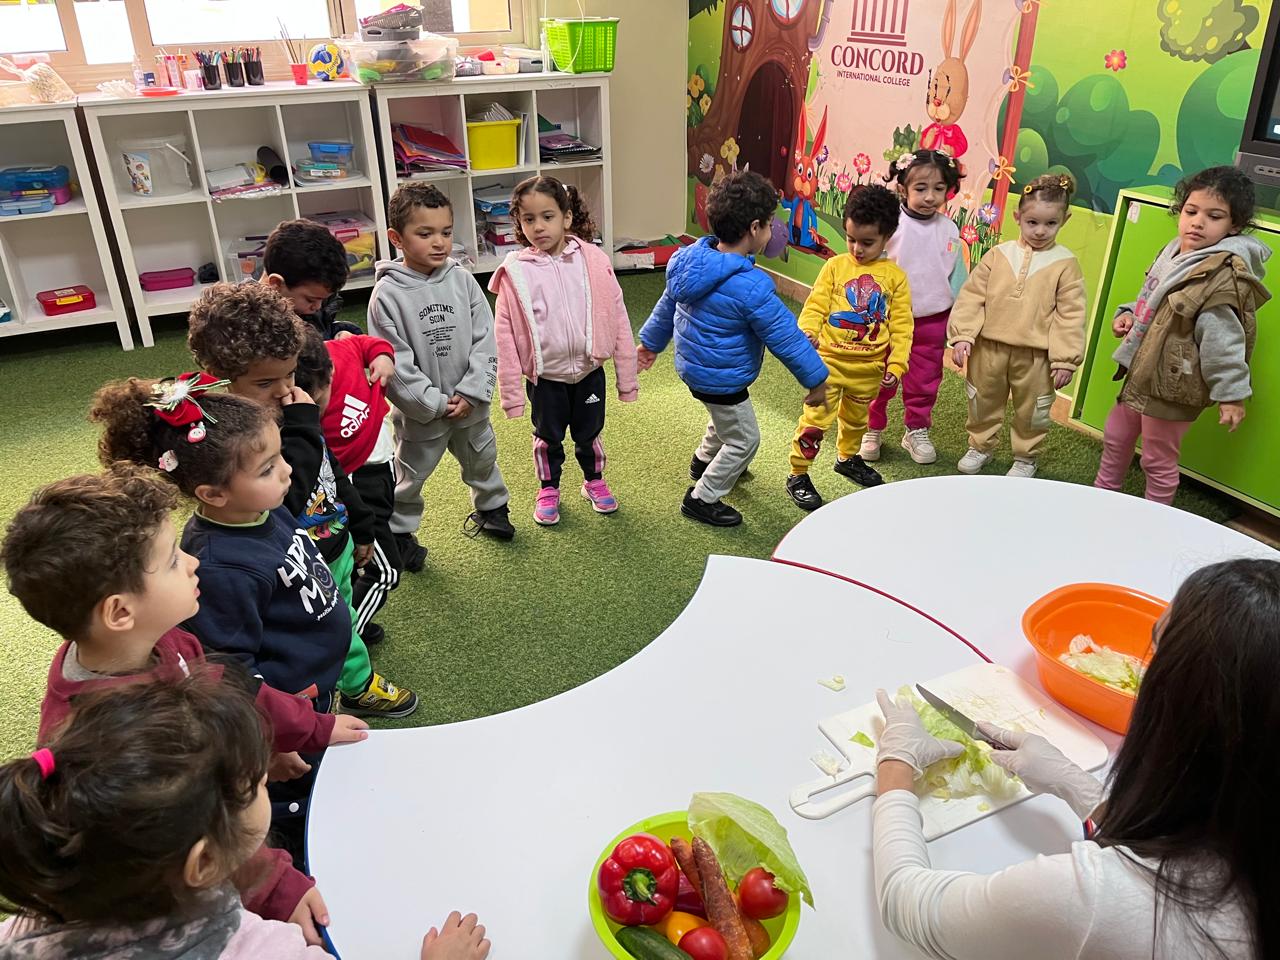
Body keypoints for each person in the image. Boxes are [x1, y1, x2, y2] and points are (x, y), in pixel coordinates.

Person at [0, 465, 368, 944]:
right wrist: (275, 883)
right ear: (120, 611)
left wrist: (296, 734)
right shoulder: (114, 740)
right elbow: (187, 838)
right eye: (174, 559)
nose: (194, 562)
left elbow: (235, 689)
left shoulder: (163, 639)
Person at [871, 557, 1277, 959]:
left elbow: (908, 905)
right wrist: (1078, 786)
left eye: (1157, 653)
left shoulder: (1098, 901)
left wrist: (896, 764)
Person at [0, 672, 492, 959]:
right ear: (204, 862)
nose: (266, 780)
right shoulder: (263, 949)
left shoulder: (24, 930)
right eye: (256, 783)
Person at [89, 375, 360, 862]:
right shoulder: (220, 566)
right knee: (292, 800)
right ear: (213, 494)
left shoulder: (262, 509)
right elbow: (230, 674)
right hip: (279, 713)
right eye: (267, 468)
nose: (286, 473)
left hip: (306, 693)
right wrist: (272, 739)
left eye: (279, 458)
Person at [187, 283, 417, 718]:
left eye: (290, 375)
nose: (284, 390)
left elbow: (332, 471)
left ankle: (354, 681)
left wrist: (361, 527)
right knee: (325, 629)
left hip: (335, 544)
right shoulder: (238, 439)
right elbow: (287, 497)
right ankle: (350, 688)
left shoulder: (291, 413)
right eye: (264, 382)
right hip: (299, 563)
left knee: (343, 620)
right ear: (221, 377)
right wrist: (305, 428)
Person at [638, 170, 828, 527]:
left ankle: (702, 461)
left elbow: (667, 304)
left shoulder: (690, 259)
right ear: (755, 228)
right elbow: (785, 337)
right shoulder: (752, 286)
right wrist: (816, 380)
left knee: (724, 418)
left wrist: (651, 342)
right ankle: (702, 498)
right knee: (745, 440)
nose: (771, 231)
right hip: (722, 377)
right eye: (770, 224)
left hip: (695, 369)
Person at [1093, 166, 1270, 504]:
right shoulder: (1174, 250)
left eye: (1213, 216)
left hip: (1173, 383)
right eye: (1191, 211)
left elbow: (1224, 341)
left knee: (1156, 459)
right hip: (1142, 370)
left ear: (1234, 225)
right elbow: (1153, 298)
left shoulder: (1218, 273)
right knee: (1116, 435)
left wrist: (1231, 395)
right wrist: (1128, 314)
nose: (1197, 223)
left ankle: (1157, 520)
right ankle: (1102, 498)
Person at [370, 182, 515, 545]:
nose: (439, 242)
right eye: (425, 234)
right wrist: (433, 403)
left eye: (446, 232)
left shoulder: (462, 280)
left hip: (471, 408)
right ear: (396, 238)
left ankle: (493, 509)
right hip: (423, 417)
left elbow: (486, 339)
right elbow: (393, 361)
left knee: (483, 460)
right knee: (409, 476)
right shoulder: (386, 296)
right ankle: (400, 535)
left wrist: (472, 392)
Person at [490, 175, 638, 526]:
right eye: (529, 219)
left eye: (548, 216)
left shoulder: (593, 260)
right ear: (519, 223)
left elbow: (616, 315)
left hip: (589, 372)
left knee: (590, 433)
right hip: (546, 379)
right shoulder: (516, 272)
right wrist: (511, 396)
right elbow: (504, 337)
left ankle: (593, 480)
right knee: (547, 437)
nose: (538, 227)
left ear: (566, 217)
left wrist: (627, 379)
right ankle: (548, 488)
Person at [948, 173, 1087, 478]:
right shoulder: (998, 254)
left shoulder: (1066, 264)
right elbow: (972, 296)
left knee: (1033, 409)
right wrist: (963, 335)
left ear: (1064, 220)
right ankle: (980, 446)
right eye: (1032, 222)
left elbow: (1071, 314)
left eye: (1050, 223)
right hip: (988, 349)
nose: (1040, 231)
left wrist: (1065, 358)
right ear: (1017, 217)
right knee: (981, 400)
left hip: (1036, 356)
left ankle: (1026, 457)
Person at [785, 184, 913, 511]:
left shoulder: (895, 277)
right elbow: (815, 306)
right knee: (815, 421)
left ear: (887, 237)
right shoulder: (835, 266)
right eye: (851, 238)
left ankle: (847, 458)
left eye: (867, 242)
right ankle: (798, 474)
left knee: (856, 421)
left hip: (868, 370)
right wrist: (808, 332)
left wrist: (896, 364)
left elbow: (902, 326)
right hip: (828, 365)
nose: (856, 248)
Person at [294, 321, 403, 642]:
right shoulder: (301, 420)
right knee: (385, 572)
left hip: (380, 464)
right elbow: (331, 478)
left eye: (317, 401)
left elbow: (366, 343)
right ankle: (344, 636)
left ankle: (347, 620)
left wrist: (383, 357)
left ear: (329, 373)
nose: (311, 409)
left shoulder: (338, 351)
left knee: (367, 547)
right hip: (352, 485)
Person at [862, 150, 966, 466]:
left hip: (931, 321)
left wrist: (960, 327)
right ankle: (871, 427)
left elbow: (958, 278)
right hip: (887, 319)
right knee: (878, 374)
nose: (930, 197)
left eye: (939, 188)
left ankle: (916, 429)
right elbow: (870, 267)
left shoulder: (949, 229)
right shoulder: (890, 224)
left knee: (924, 379)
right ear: (902, 188)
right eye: (921, 188)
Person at [261, 217, 360, 340]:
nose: (317, 307)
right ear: (276, 284)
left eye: (323, 299)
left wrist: (340, 333)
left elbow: (324, 329)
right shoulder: (250, 326)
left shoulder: (309, 294)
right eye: (310, 300)